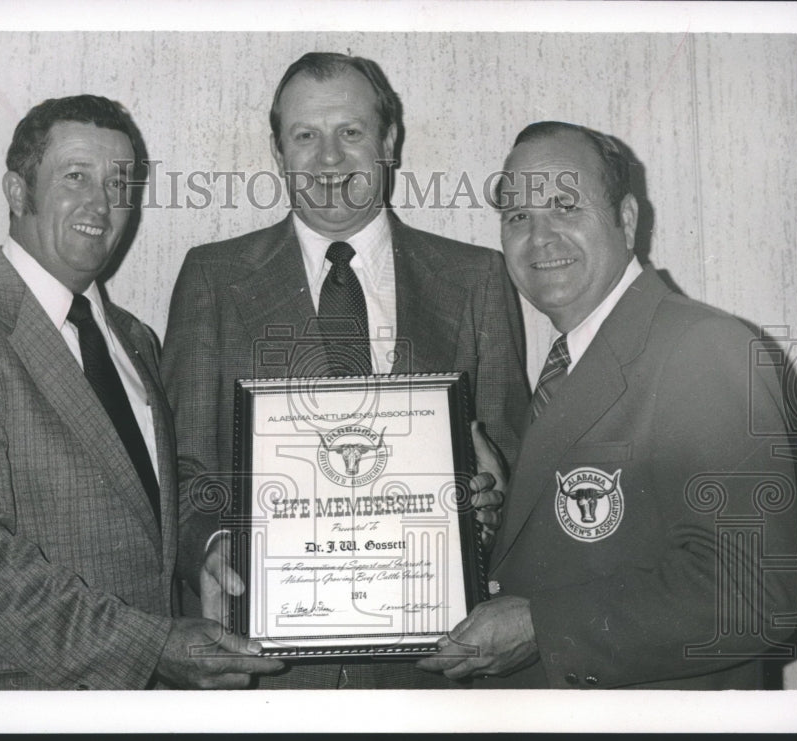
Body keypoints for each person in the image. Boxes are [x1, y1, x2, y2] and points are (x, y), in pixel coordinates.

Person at [0, 94, 282, 690]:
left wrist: (207, 559)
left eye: (120, 182)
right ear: (18, 193)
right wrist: (151, 647)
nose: (102, 202)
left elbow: (145, 526)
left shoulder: (135, 340)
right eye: (75, 177)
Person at [161, 53, 530, 689]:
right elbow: (185, 469)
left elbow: (514, 456)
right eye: (306, 135)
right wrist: (214, 547)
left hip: (433, 670)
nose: (329, 159)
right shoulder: (213, 277)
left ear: (388, 142)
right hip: (271, 673)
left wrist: (489, 500)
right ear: (278, 152)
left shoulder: (476, 278)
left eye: (351, 132)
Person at [417, 121, 797, 689]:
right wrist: (493, 514)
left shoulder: (705, 347)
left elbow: (757, 593)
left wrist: (544, 627)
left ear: (626, 219)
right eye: (517, 216)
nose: (539, 238)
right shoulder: (565, 365)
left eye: (565, 207)